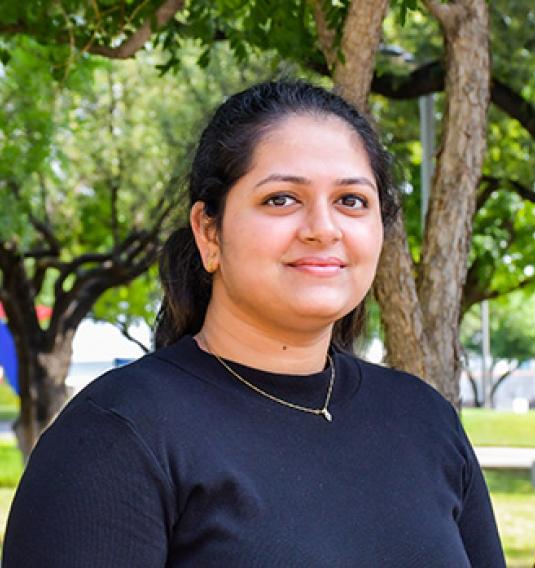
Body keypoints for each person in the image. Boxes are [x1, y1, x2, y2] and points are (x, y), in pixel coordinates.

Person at [3, 80, 505, 567]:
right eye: (281, 199)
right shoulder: (116, 436)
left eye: (351, 200)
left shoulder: (424, 419)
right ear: (209, 232)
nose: (323, 229)